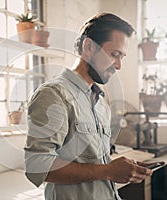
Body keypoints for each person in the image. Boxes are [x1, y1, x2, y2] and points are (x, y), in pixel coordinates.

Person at [24, 13, 155, 200]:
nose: (118, 66)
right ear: (88, 47)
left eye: (121, 57)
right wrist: (108, 171)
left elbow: (95, 163)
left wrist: (118, 170)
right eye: (114, 55)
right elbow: (37, 167)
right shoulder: (53, 95)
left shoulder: (100, 102)